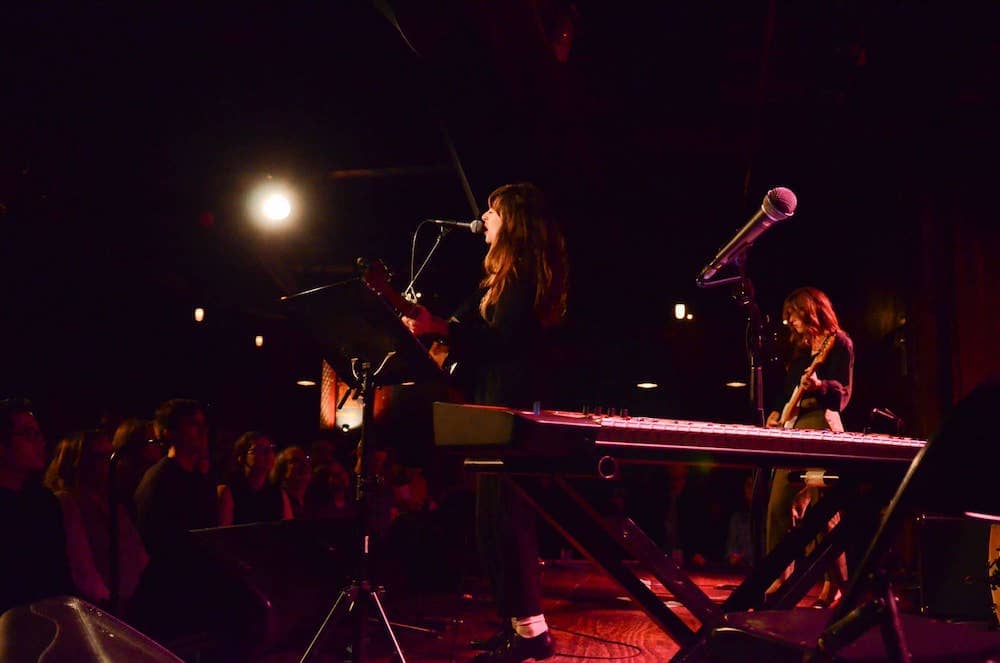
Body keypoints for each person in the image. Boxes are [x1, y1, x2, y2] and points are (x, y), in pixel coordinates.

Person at [404, 182, 568, 662]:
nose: (485, 221)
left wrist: (440, 330)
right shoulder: (497, 279)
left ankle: (531, 631)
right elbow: (467, 330)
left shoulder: (522, 275)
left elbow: (499, 341)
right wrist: (433, 324)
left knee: (506, 519)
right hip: (490, 403)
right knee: (489, 522)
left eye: (493, 213)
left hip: (511, 407)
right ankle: (516, 625)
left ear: (511, 221)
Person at [765, 286, 853, 607]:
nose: (789, 322)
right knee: (778, 505)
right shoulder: (801, 351)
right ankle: (778, 574)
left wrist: (821, 386)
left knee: (822, 506)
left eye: (793, 314)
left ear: (810, 310)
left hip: (822, 426)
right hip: (794, 428)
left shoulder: (839, 343)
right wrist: (776, 412)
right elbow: (787, 393)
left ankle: (834, 582)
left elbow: (843, 395)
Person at [44, 429, 149, 608]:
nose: (109, 463)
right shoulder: (68, 502)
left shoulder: (112, 502)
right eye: (99, 457)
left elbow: (137, 553)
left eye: (110, 455)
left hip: (132, 602)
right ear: (77, 462)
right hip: (105, 608)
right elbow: (82, 568)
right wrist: (107, 604)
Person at [0, 398, 74, 614]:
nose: (40, 443)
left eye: (39, 434)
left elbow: (58, 573)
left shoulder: (43, 501)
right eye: (29, 434)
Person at [217, 431, 291, 526]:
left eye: (270, 448)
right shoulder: (228, 491)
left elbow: (289, 531)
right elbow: (223, 535)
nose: (268, 453)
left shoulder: (279, 494)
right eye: (259, 449)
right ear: (241, 457)